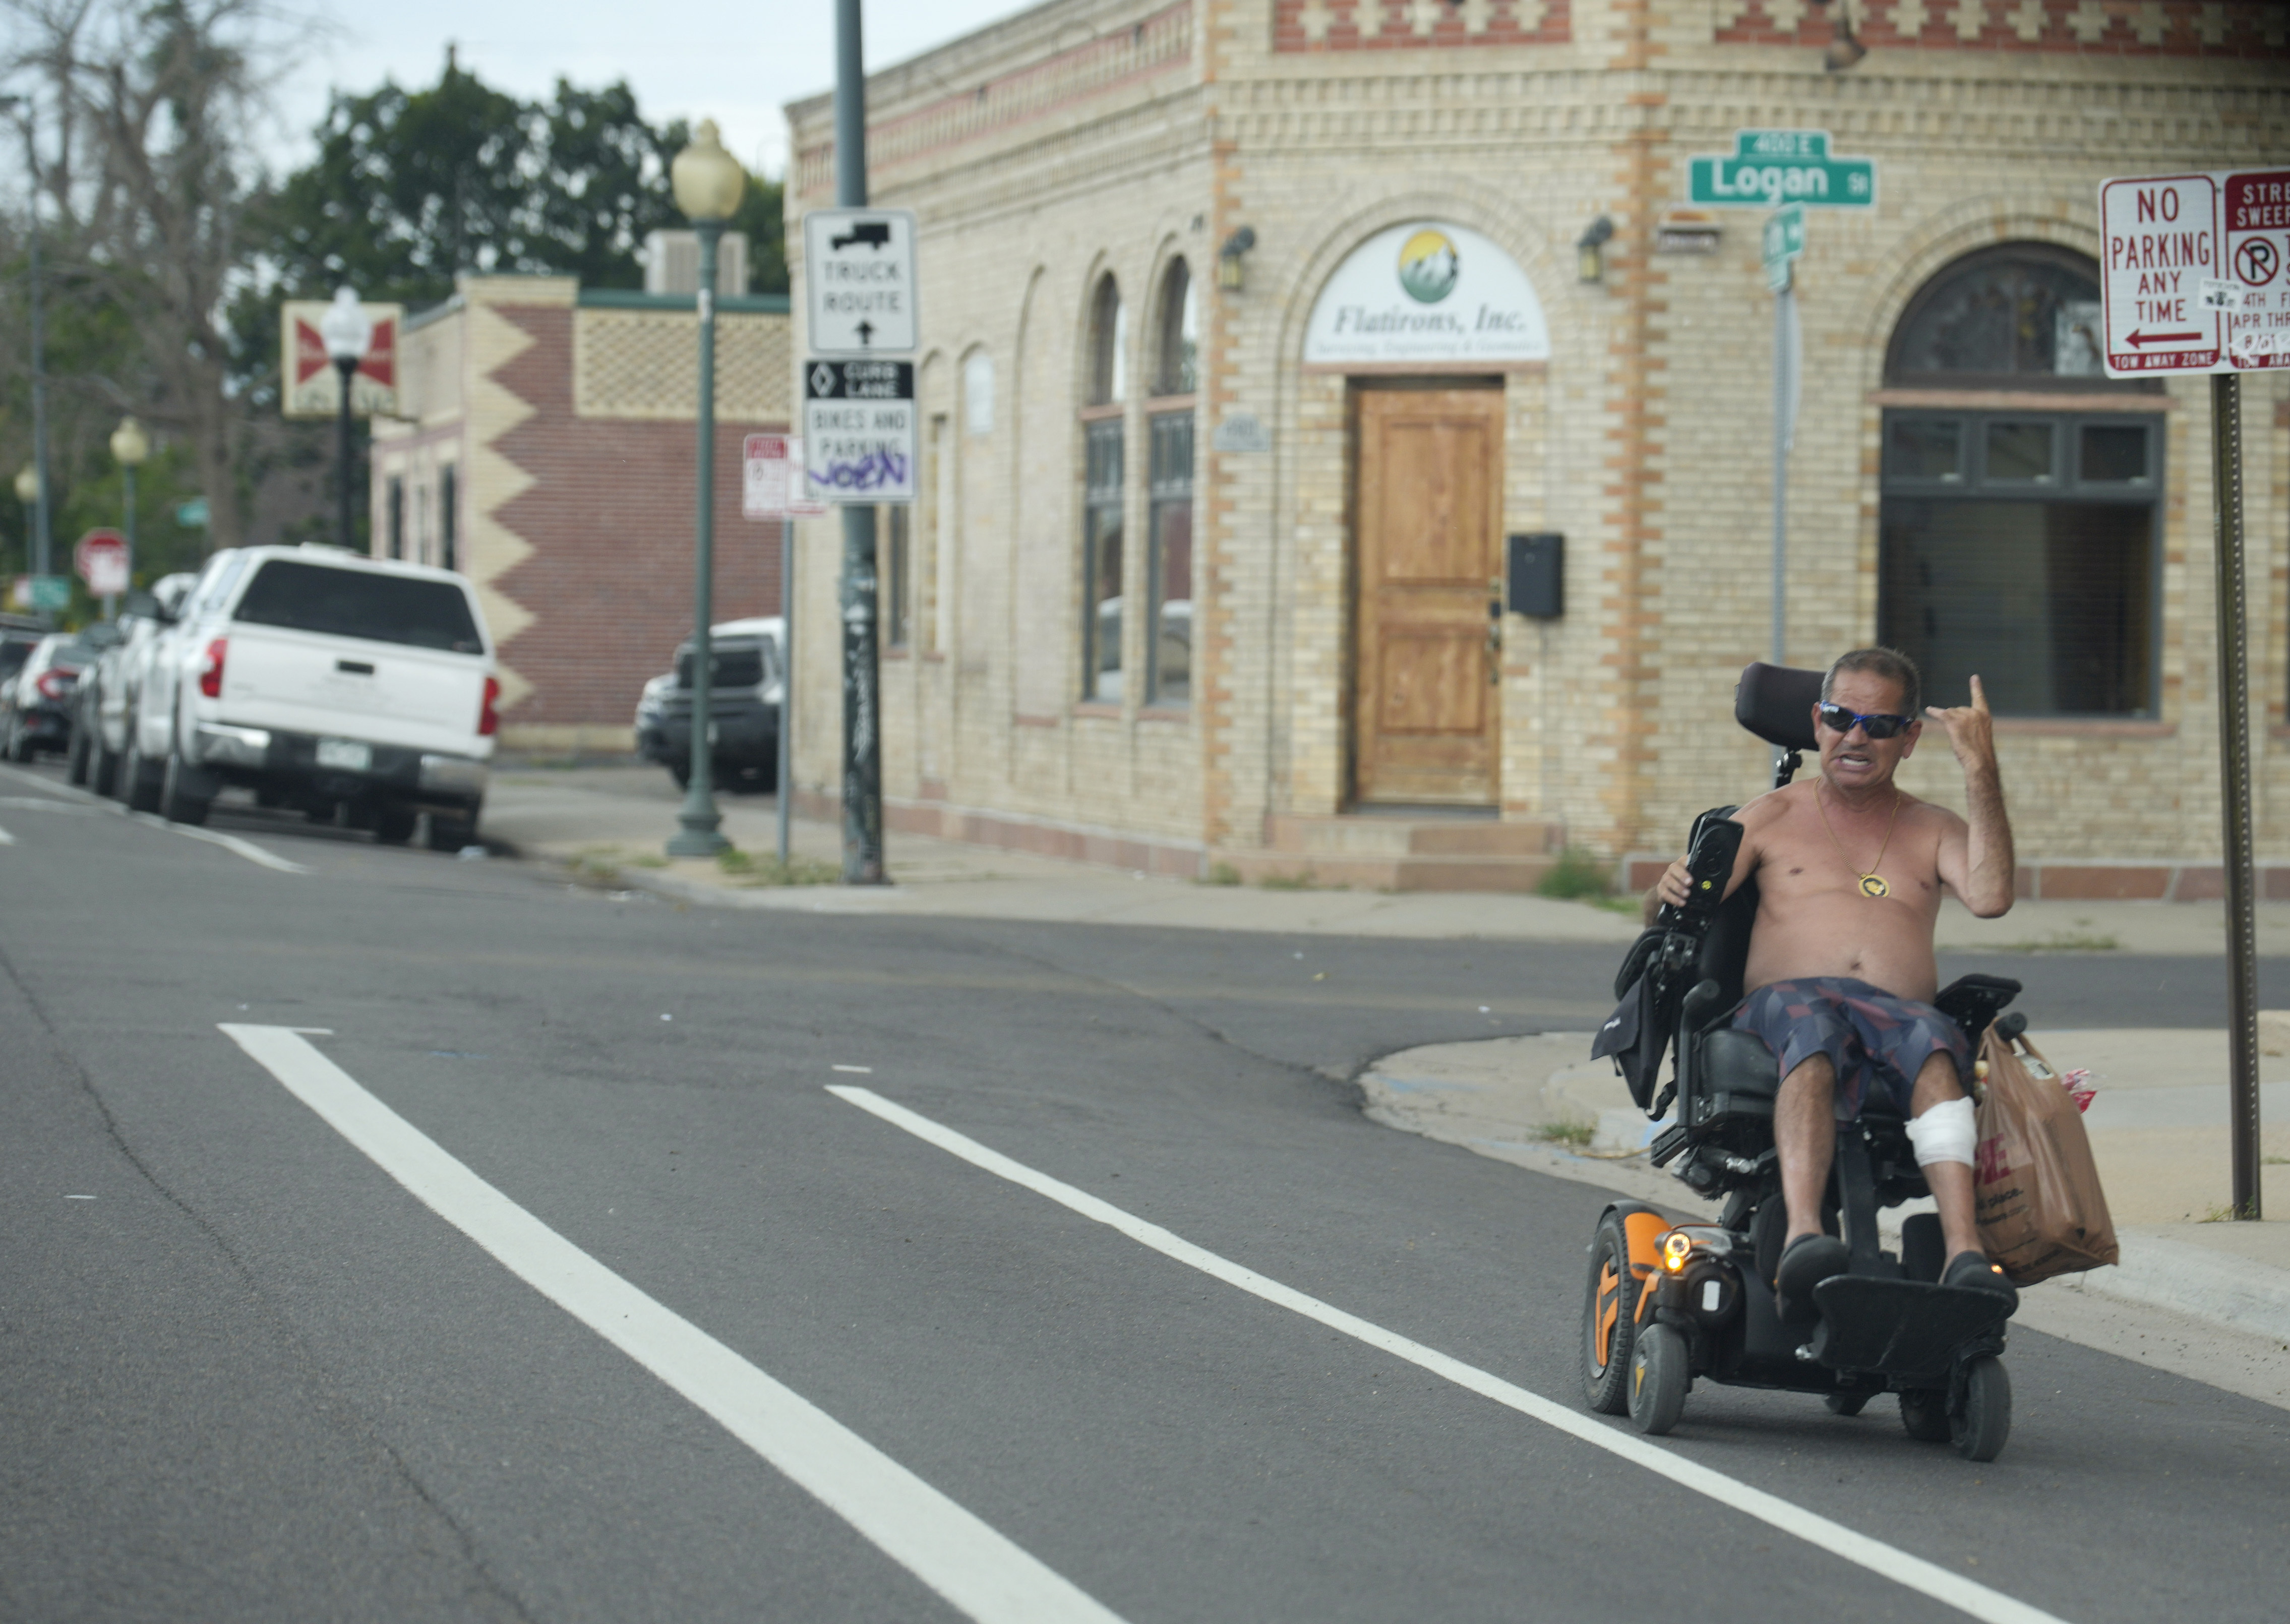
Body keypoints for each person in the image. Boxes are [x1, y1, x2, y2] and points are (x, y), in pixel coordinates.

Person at [1656, 646, 2019, 1315]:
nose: (1856, 736)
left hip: (1895, 1015)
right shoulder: (1768, 813)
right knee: (1812, 1032)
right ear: (1816, 723)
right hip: (1786, 1005)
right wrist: (1670, 885)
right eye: (1839, 716)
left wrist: (1979, 766)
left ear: (1908, 739)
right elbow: (1679, 911)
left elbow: (1992, 895)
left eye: (1880, 725)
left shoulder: (1933, 826)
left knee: (1938, 1046)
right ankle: (1802, 1236)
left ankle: (1964, 1250)